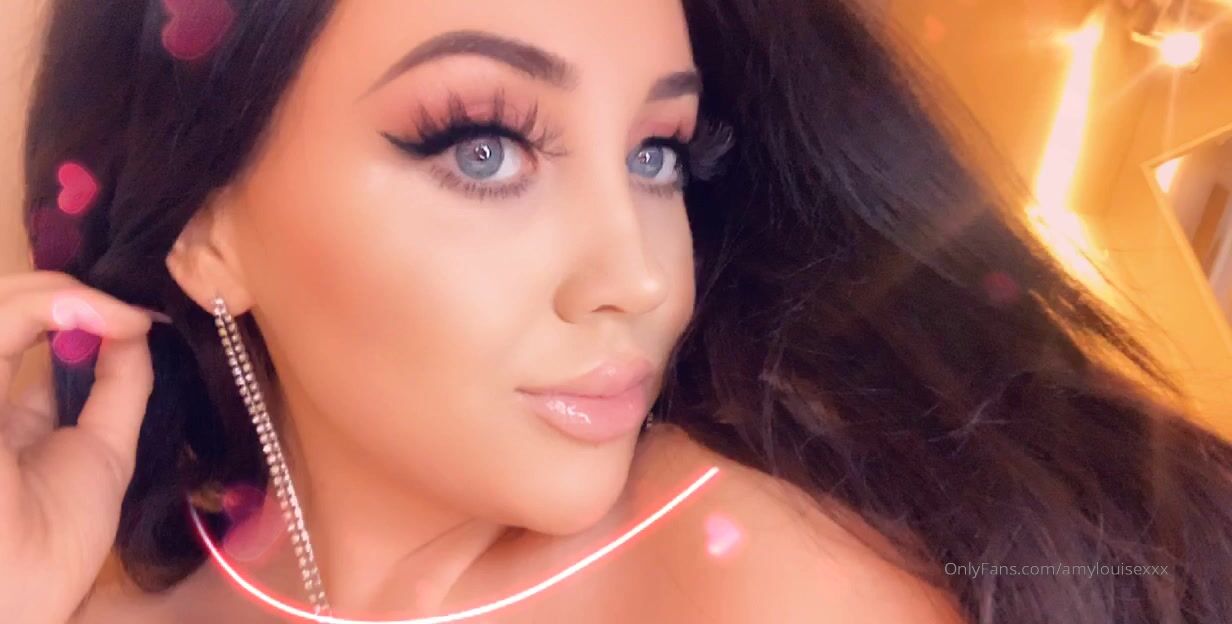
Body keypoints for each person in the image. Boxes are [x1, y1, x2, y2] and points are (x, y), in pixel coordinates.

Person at [3, 0, 1230, 622]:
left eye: (656, 156)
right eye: (483, 149)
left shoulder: (762, 579)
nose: (640, 278)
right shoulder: (109, 591)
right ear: (206, 231)